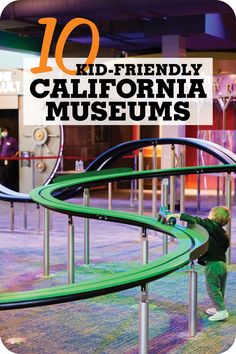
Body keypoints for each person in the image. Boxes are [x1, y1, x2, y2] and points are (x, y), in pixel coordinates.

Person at [167, 206, 230, 321]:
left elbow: (194, 220)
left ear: (214, 216)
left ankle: (222, 311)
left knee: (212, 288)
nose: (208, 215)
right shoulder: (224, 233)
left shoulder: (208, 224)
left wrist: (175, 215)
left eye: (210, 212)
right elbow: (225, 246)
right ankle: (219, 307)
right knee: (220, 288)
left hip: (213, 265)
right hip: (222, 264)